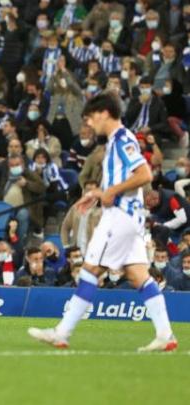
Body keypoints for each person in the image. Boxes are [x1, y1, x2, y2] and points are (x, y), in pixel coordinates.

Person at [28, 92, 177, 352]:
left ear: (105, 113)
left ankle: (62, 333)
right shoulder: (114, 142)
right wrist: (99, 194)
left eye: (91, 118)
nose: (89, 124)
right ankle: (165, 334)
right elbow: (123, 183)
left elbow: (143, 173)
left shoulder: (122, 138)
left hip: (120, 216)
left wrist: (112, 191)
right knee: (138, 275)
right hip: (127, 215)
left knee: (90, 268)